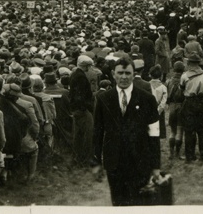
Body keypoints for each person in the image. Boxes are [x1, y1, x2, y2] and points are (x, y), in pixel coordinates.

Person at [92, 56, 162, 206]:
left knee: (138, 202)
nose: (124, 77)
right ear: (113, 74)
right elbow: (97, 132)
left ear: (134, 74)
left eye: (128, 73)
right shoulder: (103, 98)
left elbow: (154, 134)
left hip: (140, 161)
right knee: (118, 202)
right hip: (114, 162)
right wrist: (96, 161)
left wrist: (156, 166)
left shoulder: (147, 99)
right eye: (120, 73)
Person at [180, 52, 203, 162]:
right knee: (201, 130)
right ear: (199, 63)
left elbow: (182, 89)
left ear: (189, 63)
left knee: (189, 131)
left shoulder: (184, 76)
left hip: (189, 102)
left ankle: (190, 155)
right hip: (202, 102)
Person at [69, 55, 96, 167]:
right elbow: (80, 95)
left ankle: (78, 157)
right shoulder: (80, 76)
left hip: (77, 108)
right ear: (85, 65)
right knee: (87, 134)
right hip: (82, 109)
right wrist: (85, 107)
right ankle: (85, 158)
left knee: (79, 134)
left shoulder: (75, 74)